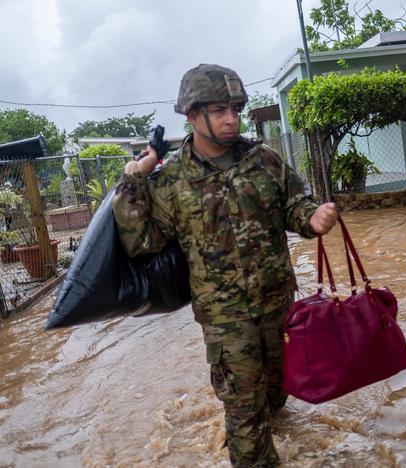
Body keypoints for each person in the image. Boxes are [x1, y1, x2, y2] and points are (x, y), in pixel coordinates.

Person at [112, 63, 338, 466]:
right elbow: (140, 242)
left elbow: (293, 205)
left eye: (235, 109)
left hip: (278, 305)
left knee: (276, 394)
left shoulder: (264, 161)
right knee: (245, 414)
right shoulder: (172, 180)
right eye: (219, 111)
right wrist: (135, 177)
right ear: (192, 116)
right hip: (225, 317)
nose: (231, 119)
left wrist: (312, 218)